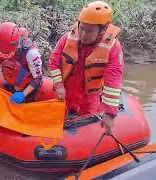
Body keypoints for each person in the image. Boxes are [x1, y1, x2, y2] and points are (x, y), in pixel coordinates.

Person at [49, 1, 124, 135]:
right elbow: (54, 61)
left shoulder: (113, 47)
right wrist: (59, 85)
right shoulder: (68, 38)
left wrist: (110, 114)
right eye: (82, 28)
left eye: (89, 31)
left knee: (88, 126)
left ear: (103, 30)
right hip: (67, 88)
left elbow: (113, 79)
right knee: (61, 119)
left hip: (90, 94)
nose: (83, 34)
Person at [0, 22, 43, 104]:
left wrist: (23, 94)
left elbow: (38, 78)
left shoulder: (31, 53)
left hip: (28, 87)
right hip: (12, 82)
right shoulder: (4, 46)